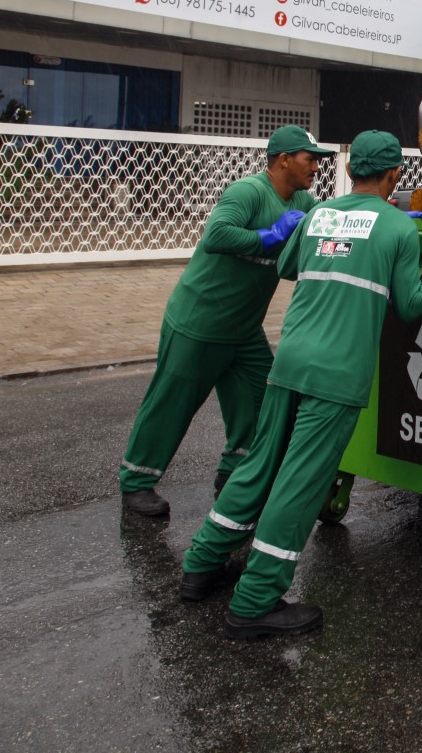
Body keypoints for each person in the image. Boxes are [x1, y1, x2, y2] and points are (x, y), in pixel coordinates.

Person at [179, 131, 422, 640]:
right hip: (337, 375)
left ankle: (201, 564)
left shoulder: (320, 213)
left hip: (290, 361)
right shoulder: (398, 230)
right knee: (300, 483)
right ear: (394, 175)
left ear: (351, 169)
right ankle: (254, 601)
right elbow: (410, 306)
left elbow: (289, 264)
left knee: (261, 464)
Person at [120, 125, 334, 518]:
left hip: (243, 330)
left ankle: (234, 474)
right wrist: (267, 236)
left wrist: (386, 214)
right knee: (172, 403)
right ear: (284, 160)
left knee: (262, 400)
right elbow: (216, 233)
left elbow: (332, 222)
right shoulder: (249, 192)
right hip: (199, 322)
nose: (317, 166)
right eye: (310, 158)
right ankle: (136, 483)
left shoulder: (303, 200)